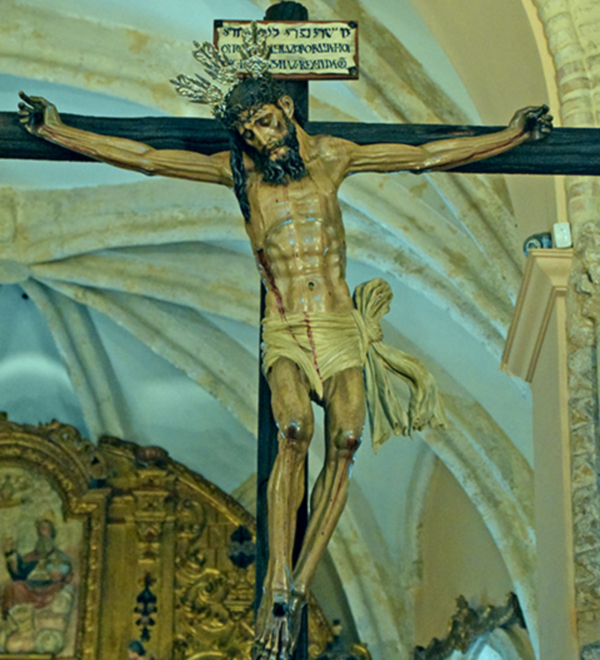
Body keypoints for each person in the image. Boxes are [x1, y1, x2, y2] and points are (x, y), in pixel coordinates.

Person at [18, 67, 552, 660]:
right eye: (248, 132)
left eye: (266, 123)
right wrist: (57, 132)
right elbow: (145, 157)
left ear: (286, 110)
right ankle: (277, 577)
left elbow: (423, 156)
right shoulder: (239, 174)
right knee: (294, 429)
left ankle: (300, 582)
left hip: (339, 325)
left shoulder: (333, 156)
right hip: (287, 327)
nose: (261, 139)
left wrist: (509, 137)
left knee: (346, 439)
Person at [2, 516, 72, 616]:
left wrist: (59, 576)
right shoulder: (30, 556)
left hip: (50, 589)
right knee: (13, 587)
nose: (42, 531)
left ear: (52, 532)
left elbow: (67, 576)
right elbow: (18, 575)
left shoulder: (60, 556)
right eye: (40, 529)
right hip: (31, 589)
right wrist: (9, 555)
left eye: (45, 528)